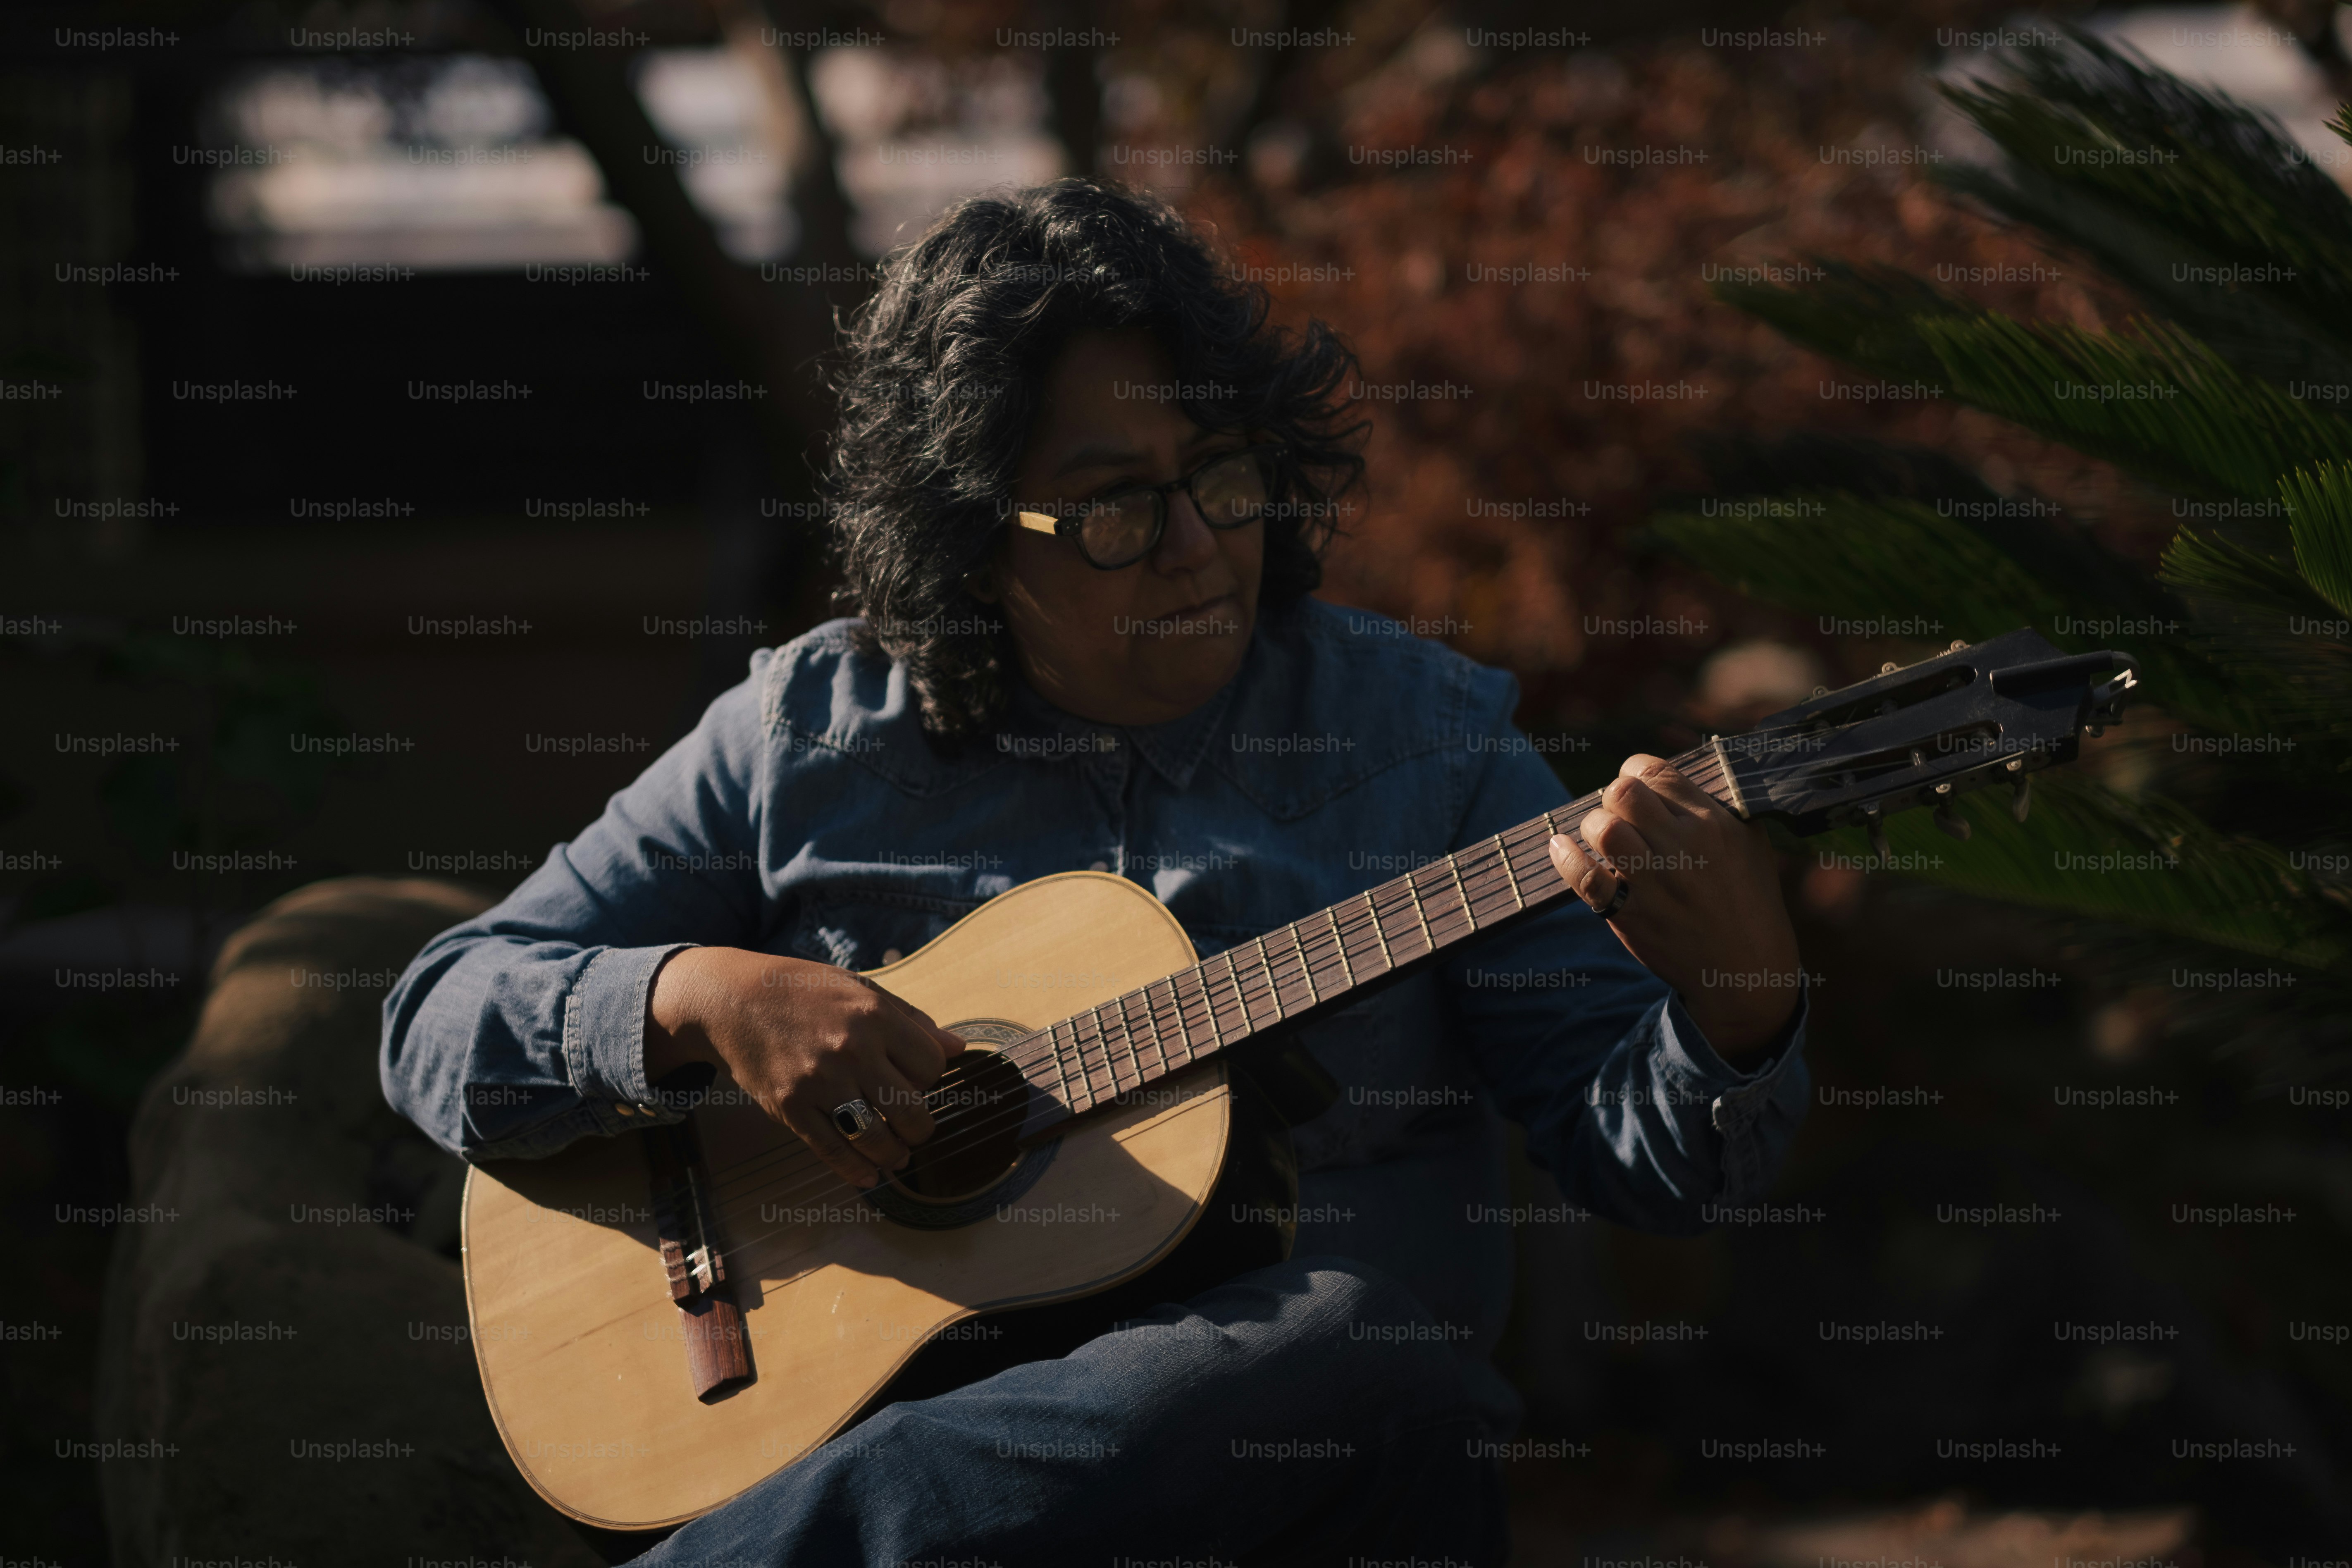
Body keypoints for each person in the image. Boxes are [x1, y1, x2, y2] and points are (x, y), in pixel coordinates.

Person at [379, 179, 1811, 1566]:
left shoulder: (1423, 748)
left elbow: (1652, 1169)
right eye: (1117, 508)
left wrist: (1738, 1007)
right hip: (876, 1430)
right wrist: (697, 995)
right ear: (971, 539)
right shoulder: (807, 734)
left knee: (1364, 1349)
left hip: (1292, 1493)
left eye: (1223, 478)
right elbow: (436, 1016)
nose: (1196, 547)